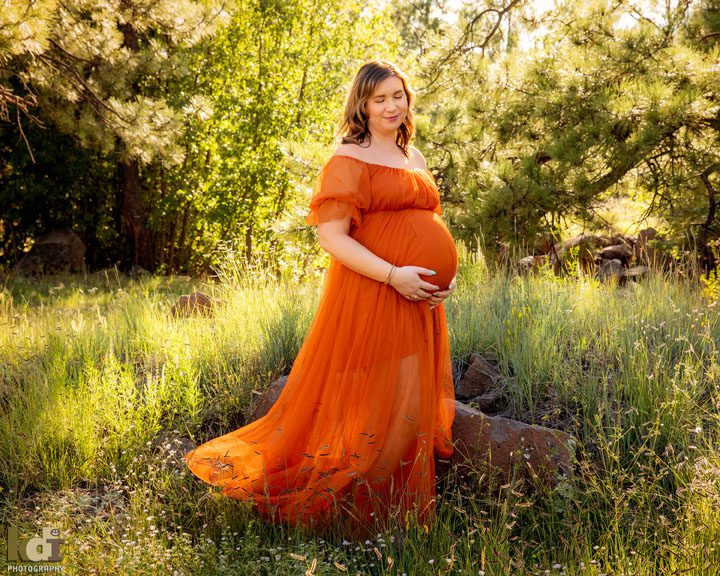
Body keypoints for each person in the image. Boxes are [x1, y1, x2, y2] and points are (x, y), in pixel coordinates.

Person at [184, 59, 458, 539]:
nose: (392, 106)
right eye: (380, 99)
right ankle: (352, 515)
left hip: (420, 301)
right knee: (378, 406)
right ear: (363, 106)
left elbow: (428, 224)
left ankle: (396, 514)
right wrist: (395, 275)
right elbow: (332, 237)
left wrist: (442, 278)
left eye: (399, 95)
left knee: (409, 402)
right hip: (375, 294)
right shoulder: (348, 157)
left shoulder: (413, 157)